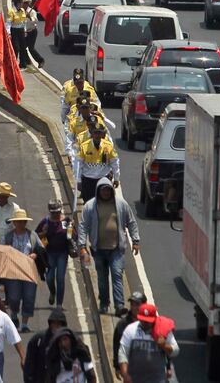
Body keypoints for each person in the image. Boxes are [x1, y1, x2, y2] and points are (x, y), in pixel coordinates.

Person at [78, 177, 141, 314]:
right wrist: (82, 247)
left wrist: (135, 241)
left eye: (108, 190)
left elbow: (131, 222)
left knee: (117, 275)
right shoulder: (90, 206)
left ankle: (119, 305)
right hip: (98, 249)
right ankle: (104, 303)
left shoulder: (121, 204)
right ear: (98, 191)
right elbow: (83, 226)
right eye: (103, 190)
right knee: (102, 278)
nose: (106, 193)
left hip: (116, 249)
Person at [1, 208, 42, 333]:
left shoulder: (32, 235)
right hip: (13, 271)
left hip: (29, 270)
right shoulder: (8, 236)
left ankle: (24, 323)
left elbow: (41, 248)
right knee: (13, 297)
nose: (21, 223)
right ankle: (14, 313)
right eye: (18, 221)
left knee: (29, 297)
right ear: (14, 223)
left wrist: (35, 254)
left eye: (23, 221)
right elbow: (2, 252)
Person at [118, 303, 179, 383]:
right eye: (143, 320)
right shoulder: (130, 330)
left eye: (148, 321)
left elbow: (175, 351)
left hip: (158, 379)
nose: (145, 323)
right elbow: (123, 354)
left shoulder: (163, 332)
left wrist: (164, 346)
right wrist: (125, 375)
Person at [37, 200, 73, 306]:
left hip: (62, 253)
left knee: (60, 278)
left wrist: (71, 228)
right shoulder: (45, 222)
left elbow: (72, 236)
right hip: (49, 253)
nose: (56, 214)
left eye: (57, 212)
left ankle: (59, 304)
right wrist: (43, 233)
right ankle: (52, 292)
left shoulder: (66, 221)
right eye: (53, 212)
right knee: (50, 277)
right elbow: (35, 236)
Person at [76, 125, 120, 204]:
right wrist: (78, 181)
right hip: (88, 180)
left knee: (103, 203)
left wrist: (116, 178)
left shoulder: (108, 146)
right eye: (95, 133)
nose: (97, 135)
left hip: (103, 180)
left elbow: (115, 163)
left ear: (102, 134)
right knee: (88, 203)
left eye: (99, 133)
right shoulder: (84, 146)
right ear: (92, 134)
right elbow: (78, 165)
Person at [23, 307, 68, 383]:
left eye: (59, 324)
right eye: (54, 323)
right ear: (50, 324)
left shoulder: (69, 341)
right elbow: (29, 365)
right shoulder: (38, 340)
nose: (56, 326)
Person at [113, 291, 149, 372]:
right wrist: (117, 366)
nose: (134, 307)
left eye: (137, 304)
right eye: (132, 304)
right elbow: (117, 346)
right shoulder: (122, 324)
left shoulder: (151, 323)